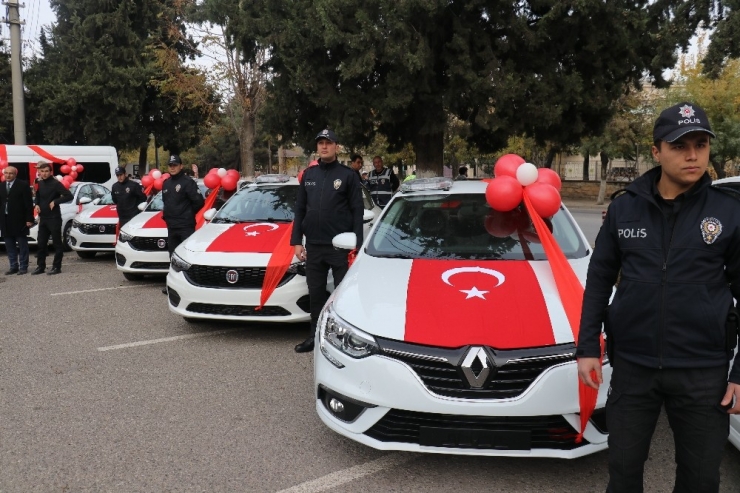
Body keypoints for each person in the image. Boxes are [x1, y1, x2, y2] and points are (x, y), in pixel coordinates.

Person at [577, 102, 740, 492]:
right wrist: (586, 347)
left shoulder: (729, 213)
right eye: (680, 145)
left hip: (703, 371)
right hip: (635, 366)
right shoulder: (625, 208)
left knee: (700, 479)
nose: (692, 155)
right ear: (656, 151)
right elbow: (599, 279)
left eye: (701, 145)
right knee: (624, 471)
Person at [291, 129, 364, 353]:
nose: (324, 147)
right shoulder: (309, 176)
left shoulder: (348, 175)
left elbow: (357, 211)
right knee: (316, 294)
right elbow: (300, 209)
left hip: (340, 247)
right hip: (314, 245)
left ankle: (343, 341)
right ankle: (314, 337)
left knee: (343, 294)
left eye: (328, 143)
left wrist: (357, 244)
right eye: (321, 143)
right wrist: (296, 241)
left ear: (336, 147)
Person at [161, 154, 204, 293]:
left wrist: (186, 213)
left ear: (181, 166)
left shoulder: (187, 182)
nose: (172, 168)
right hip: (172, 226)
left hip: (185, 225)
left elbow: (199, 202)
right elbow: (166, 203)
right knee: (173, 256)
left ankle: (190, 287)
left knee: (186, 257)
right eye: (170, 165)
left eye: (175, 165)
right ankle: (173, 286)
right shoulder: (166, 183)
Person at [32, 161, 73, 275]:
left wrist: (56, 201)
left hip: (54, 218)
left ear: (50, 172)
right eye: (42, 171)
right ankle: (40, 266)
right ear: (39, 172)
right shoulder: (39, 183)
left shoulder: (56, 184)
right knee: (41, 244)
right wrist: (37, 204)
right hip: (43, 218)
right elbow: (38, 196)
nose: (44, 174)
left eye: (46, 171)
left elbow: (69, 195)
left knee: (57, 244)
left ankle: (56, 267)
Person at [0, 166, 34, 275]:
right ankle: (13, 266)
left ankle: (23, 266)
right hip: (5, 220)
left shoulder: (23, 185)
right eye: (6, 173)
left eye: (10, 173)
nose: (8, 175)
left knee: (22, 245)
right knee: (9, 245)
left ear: (15, 174)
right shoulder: (1, 186)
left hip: (19, 220)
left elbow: (28, 204)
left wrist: (29, 219)